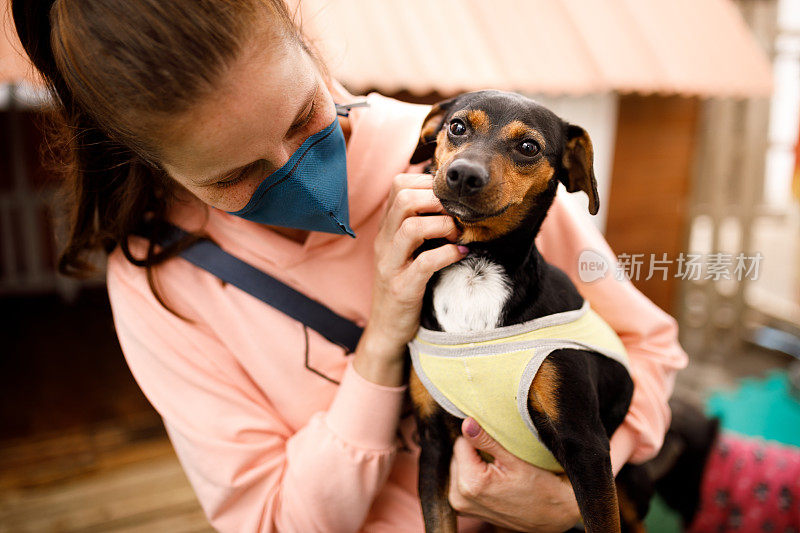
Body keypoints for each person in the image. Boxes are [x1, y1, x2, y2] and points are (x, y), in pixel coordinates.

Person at [12, 1, 688, 531]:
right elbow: (269, 518)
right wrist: (383, 339)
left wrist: (577, 489)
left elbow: (648, 344)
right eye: (234, 173)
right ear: (156, 165)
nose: (297, 174)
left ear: (305, 38)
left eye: (305, 116)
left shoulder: (469, 169)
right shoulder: (163, 284)